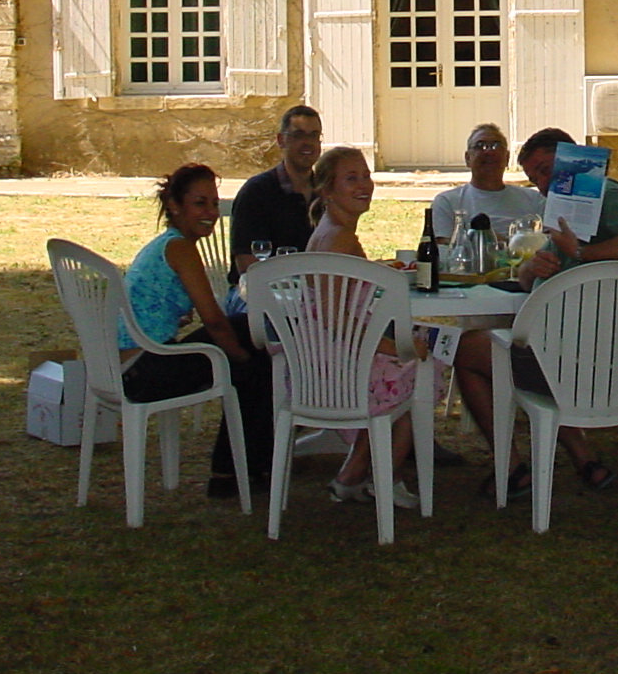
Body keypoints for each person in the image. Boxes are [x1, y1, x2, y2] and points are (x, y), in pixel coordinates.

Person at [452, 126, 618, 496]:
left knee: (466, 349)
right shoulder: (566, 211)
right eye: (535, 178)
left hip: (580, 362)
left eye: (548, 169)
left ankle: (511, 466)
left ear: (571, 160)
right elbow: (536, 271)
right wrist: (531, 269)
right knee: (505, 351)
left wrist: (582, 254)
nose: (544, 184)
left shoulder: (603, 193)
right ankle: (585, 460)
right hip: (576, 357)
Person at [119, 163, 273, 499]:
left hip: (133, 363)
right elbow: (215, 322)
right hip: (145, 370)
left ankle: (244, 467)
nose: (211, 213)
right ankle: (235, 470)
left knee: (253, 343)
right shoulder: (180, 248)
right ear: (175, 205)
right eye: (200, 203)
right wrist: (241, 357)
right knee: (254, 351)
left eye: (215, 204)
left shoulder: (167, 244)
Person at [298, 146, 439, 508]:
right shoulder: (337, 238)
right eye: (351, 179)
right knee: (424, 364)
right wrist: (398, 349)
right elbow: (334, 319)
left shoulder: (334, 232)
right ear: (327, 191)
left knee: (419, 355)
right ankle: (380, 478)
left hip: (322, 358)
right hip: (336, 368)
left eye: (366, 176)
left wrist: (376, 269)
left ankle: (357, 475)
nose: (365, 185)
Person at [228, 104, 321, 282]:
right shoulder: (257, 192)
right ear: (281, 140)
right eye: (298, 135)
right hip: (257, 291)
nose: (308, 142)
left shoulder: (325, 192)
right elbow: (247, 263)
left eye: (314, 135)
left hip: (311, 292)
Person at [428, 122, 539, 242]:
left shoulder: (534, 200)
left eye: (496, 145)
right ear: (467, 158)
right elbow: (443, 246)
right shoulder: (447, 202)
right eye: (480, 145)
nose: (489, 152)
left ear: (507, 158)